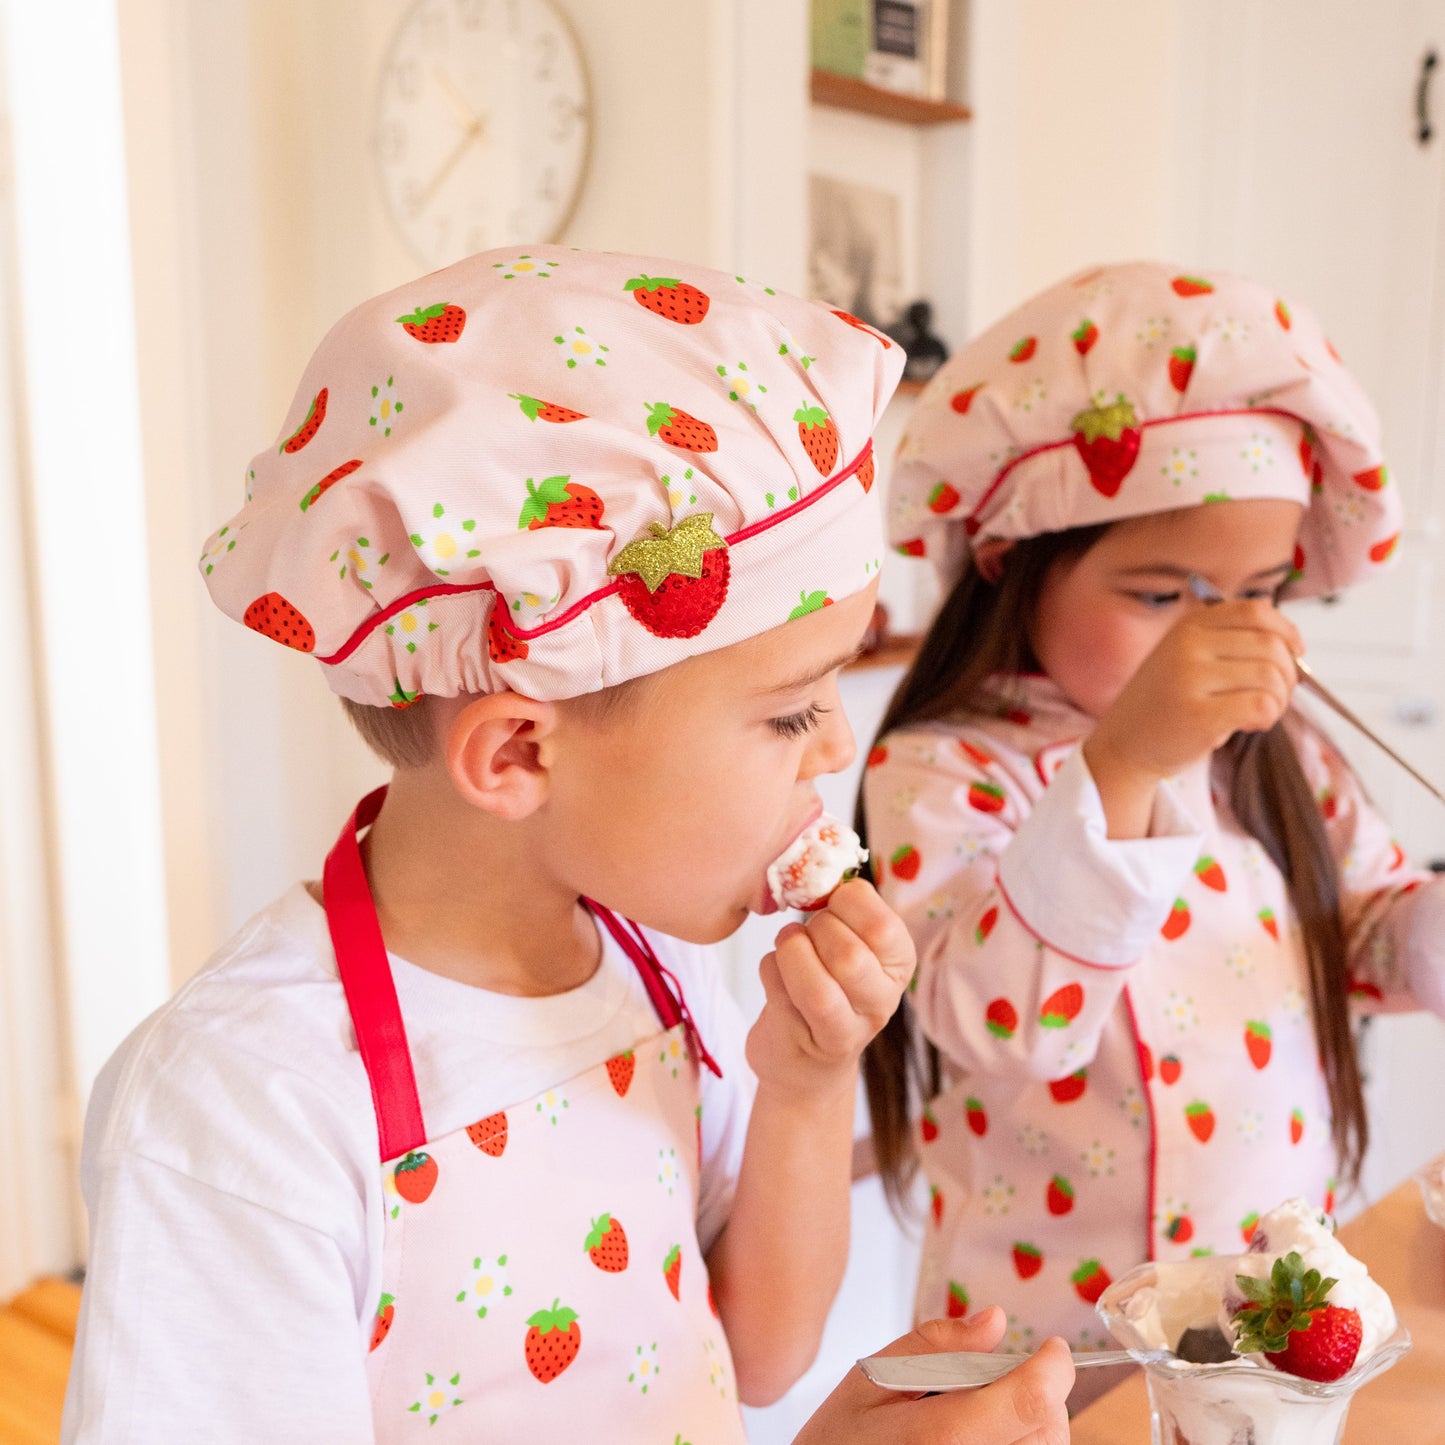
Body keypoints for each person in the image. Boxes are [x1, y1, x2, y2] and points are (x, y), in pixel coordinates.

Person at [62, 246, 1074, 1443]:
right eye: (790, 709)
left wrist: (803, 1079)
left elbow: (757, 1351)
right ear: (519, 756)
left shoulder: (652, 957)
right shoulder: (240, 1111)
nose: (829, 749)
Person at [860, 260, 1445, 1398]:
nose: (1215, 642)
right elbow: (1005, 1018)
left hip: (1268, 1331)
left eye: (1260, 588)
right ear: (1008, 564)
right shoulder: (940, 768)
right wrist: (1126, 759)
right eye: (1162, 593)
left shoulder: (1282, 756)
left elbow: (1361, 929)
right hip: (1048, 1356)